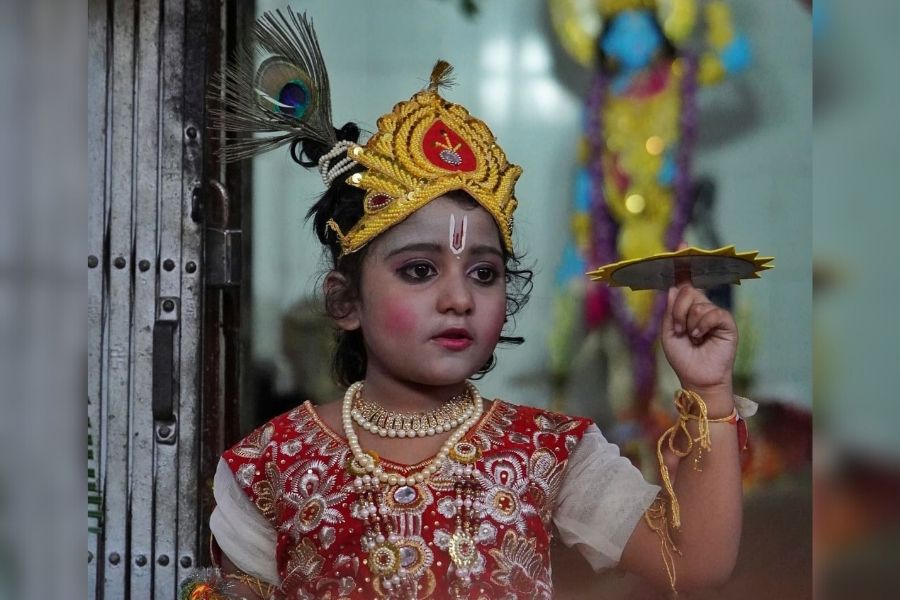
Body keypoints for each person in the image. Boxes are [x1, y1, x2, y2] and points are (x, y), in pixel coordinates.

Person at [199, 9, 749, 600]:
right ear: (345, 300)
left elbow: (692, 563)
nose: (460, 297)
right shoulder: (272, 466)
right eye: (419, 270)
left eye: (484, 273)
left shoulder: (551, 452)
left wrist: (711, 394)